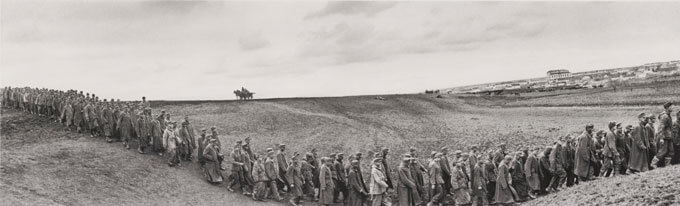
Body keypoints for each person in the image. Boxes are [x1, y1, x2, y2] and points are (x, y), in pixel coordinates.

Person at [654, 102, 674, 167]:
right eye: (671, 107)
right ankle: (653, 164)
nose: (672, 108)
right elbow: (661, 128)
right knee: (662, 151)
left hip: (669, 136)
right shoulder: (664, 116)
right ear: (667, 108)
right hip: (665, 137)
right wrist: (661, 138)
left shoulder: (668, 115)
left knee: (670, 151)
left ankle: (667, 164)